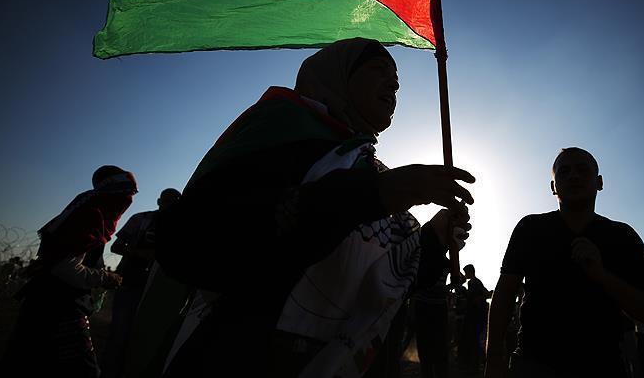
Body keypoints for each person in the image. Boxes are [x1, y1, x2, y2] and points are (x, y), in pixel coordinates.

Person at [147, 38, 474, 378]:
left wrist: (433, 240)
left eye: (397, 81)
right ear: (339, 75)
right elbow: (187, 240)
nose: (393, 85)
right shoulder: (280, 131)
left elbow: (380, 283)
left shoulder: (369, 169)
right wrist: (371, 195)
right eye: (379, 70)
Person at [485, 147, 644, 378]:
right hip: (533, 365)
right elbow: (504, 294)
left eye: (583, 170)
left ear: (599, 182)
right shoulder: (530, 228)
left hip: (603, 367)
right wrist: (493, 358)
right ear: (553, 187)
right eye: (564, 171)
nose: (573, 176)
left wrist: (603, 276)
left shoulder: (622, 236)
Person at [0, 165, 137, 378]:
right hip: (60, 305)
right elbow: (67, 268)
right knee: (82, 370)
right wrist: (106, 277)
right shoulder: (90, 215)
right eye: (125, 197)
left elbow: (56, 257)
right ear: (113, 194)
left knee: (19, 363)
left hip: (43, 301)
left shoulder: (80, 210)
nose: (127, 203)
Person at [102, 188, 181, 378]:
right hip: (131, 282)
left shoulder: (181, 227)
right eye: (166, 201)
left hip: (159, 291)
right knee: (120, 334)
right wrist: (141, 254)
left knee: (145, 338)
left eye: (173, 202)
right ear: (159, 202)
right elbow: (116, 246)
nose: (169, 206)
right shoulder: (141, 219)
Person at [459, 264, 490, 369]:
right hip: (476, 315)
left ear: (470, 272)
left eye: (466, 272)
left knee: (473, 340)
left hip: (474, 316)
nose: (465, 274)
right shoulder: (476, 282)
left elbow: (473, 297)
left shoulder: (473, 282)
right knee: (474, 340)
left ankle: (474, 364)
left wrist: (464, 291)